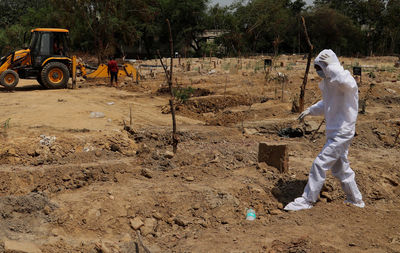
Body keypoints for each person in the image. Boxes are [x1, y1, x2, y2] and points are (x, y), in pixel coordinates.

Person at [284, 49, 365, 211]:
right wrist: (310, 110)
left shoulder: (344, 80)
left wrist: (333, 68)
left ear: (329, 66)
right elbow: (326, 103)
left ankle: (308, 200)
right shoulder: (330, 84)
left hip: (342, 132)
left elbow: (348, 84)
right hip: (334, 132)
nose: (319, 72)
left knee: (319, 164)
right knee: (341, 168)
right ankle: (355, 200)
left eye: (320, 68)